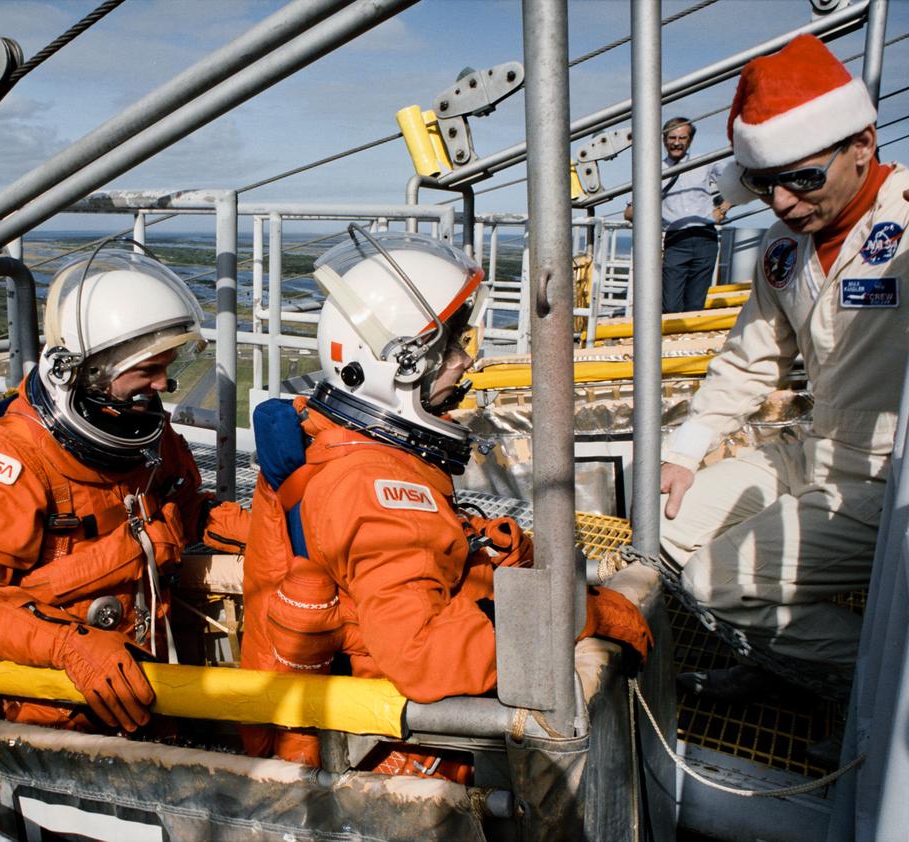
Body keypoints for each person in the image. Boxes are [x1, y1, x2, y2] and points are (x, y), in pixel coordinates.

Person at [239, 229, 653, 781]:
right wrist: (578, 616)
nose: (464, 362)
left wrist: (475, 541)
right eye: (452, 346)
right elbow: (425, 657)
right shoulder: (373, 489)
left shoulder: (333, 444)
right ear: (403, 364)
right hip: (392, 759)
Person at [657, 34, 908, 704]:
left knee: (720, 583)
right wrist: (685, 449)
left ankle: (873, 697)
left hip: (887, 470)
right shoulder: (783, 249)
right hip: (816, 447)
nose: (786, 203)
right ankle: (789, 666)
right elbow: (749, 361)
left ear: (863, 144)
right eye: (767, 184)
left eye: (803, 178)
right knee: (664, 527)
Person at [0, 248, 249, 733]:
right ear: (82, 372)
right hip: (56, 706)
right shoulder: (11, 462)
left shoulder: (145, 436)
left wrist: (270, 528)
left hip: (150, 675)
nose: (163, 384)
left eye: (165, 366)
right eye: (147, 371)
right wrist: (68, 645)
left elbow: (187, 511)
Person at [626, 116, 734, 313]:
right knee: (671, 305)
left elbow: (736, 181)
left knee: (695, 304)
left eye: (682, 138)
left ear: (690, 140)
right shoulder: (652, 169)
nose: (676, 143)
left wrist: (723, 209)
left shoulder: (704, 162)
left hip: (705, 236)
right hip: (676, 240)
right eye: (672, 138)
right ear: (664, 140)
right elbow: (630, 214)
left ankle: (685, 344)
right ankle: (669, 342)